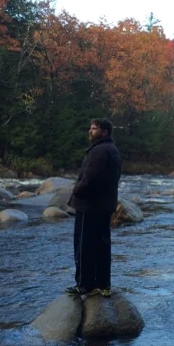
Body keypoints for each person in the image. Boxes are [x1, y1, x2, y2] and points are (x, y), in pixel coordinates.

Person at [65, 118, 121, 298]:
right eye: (90, 128)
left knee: (84, 246)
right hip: (104, 206)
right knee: (102, 246)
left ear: (104, 132)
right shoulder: (113, 150)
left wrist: (75, 190)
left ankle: (84, 284)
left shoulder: (98, 151)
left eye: (94, 128)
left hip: (89, 206)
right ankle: (103, 285)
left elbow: (89, 179)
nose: (90, 131)